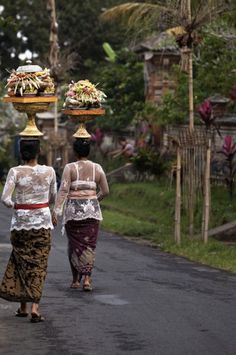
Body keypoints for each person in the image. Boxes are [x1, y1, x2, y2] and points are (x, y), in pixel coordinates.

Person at [0, 139, 57, 323]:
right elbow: (53, 197)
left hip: (20, 225)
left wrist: (19, 205)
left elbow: (5, 199)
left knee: (21, 262)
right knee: (38, 265)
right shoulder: (49, 171)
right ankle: (34, 307)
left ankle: (23, 306)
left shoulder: (14, 172)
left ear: (21, 153)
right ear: (39, 151)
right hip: (43, 222)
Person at [54, 137, 109, 291]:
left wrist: (56, 210)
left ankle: (75, 280)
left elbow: (64, 190)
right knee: (89, 245)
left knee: (74, 245)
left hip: (73, 213)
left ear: (74, 151)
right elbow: (105, 191)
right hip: (92, 212)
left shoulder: (69, 168)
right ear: (89, 151)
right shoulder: (97, 168)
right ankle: (87, 279)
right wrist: (93, 200)